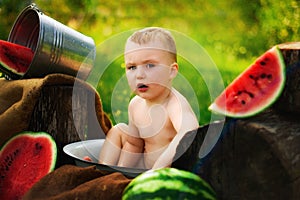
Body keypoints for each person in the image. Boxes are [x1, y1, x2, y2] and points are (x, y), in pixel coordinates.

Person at [99, 27, 199, 169]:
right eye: (132, 67)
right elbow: (134, 145)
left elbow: (190, 130)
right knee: (119, 130)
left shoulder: (174, 104)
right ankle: (103, 170)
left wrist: (157, 169)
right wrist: (122, 169)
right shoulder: (135, 105)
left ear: (171, 71)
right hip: (143, 168)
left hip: (166, 172)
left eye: (150, 65)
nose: (139, 75)